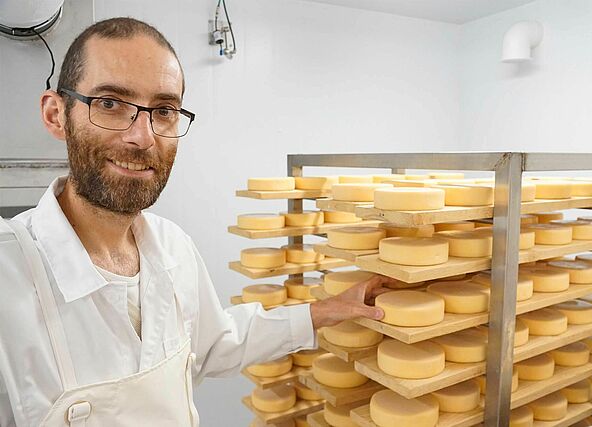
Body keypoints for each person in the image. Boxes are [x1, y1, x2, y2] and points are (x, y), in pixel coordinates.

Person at [0, 17, 393, 426]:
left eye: (164, 110)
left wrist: (323, 311)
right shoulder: (8, 273)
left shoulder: (172, 248)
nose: (143, 136)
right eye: (110, 103)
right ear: (55, 115)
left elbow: (215, 343)